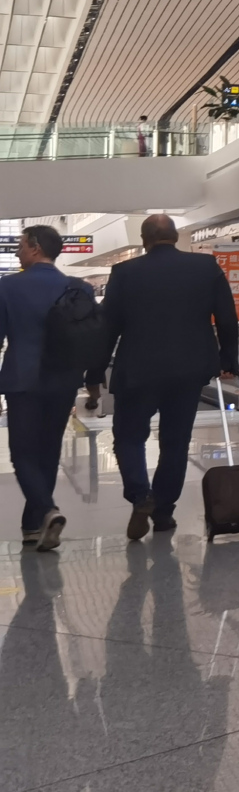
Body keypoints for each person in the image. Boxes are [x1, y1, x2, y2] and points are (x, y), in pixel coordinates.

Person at [100, 214, 239, 541]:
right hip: (188, 370)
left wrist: (94, 370)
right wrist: (228, 359)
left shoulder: (124, 272)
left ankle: (140, 495)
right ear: (176, 237)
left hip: (137, 369)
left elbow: (108, 326)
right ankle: (163, 512)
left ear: (144, 239)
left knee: (128, 437)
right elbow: (227, 316)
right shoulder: (206, 267)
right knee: (175, 442)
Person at [0, 225, 93, 550]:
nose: (17, 252)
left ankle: (47, 510)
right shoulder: (79, 287)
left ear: (35, 247)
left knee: (22, 453)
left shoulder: (7, 286)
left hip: (22, 379)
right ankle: (32, 526)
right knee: (49, 451)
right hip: (64, 379)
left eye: (21, 246)